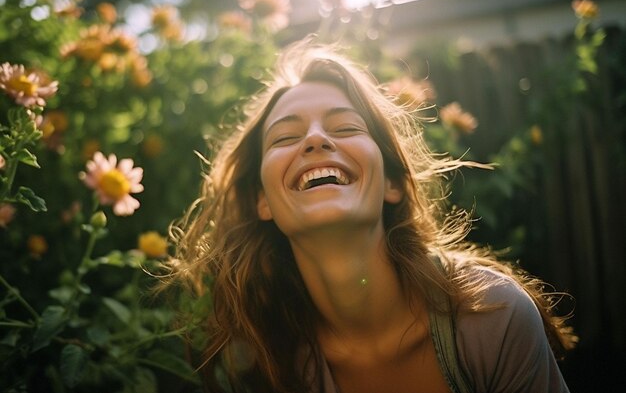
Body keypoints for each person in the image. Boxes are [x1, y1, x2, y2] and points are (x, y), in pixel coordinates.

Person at [168, 39, 576, 393]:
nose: (315, 139)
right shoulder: (267, 369)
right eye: (286, 137)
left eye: (345, 128)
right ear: (263, 202)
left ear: (392, 183)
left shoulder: (493, 317)